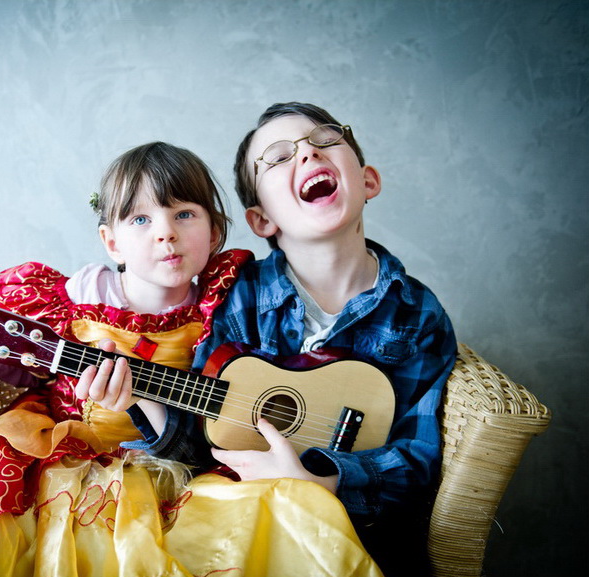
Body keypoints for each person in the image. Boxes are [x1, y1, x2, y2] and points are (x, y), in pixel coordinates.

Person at [0, 141, 381, 576]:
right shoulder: (75, 303)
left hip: (189, 465)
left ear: (216, 231)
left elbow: (267, 374)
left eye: (184, 215)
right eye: (141, 219)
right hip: (76, 459)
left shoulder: (232, 296)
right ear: (111, 241)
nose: (165, 234)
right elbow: (7, 343)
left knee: (279, 526)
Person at [84, 103, 457, 577]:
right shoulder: (236, 297)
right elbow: (203, 443)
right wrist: (140, 394)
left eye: (325, 141)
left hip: (350, 529)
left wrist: (322, 480)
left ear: (367, 181)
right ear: (261, 220)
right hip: (237, 519)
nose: (306, 156)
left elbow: (419, 458)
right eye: (279, 158)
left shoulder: (416, 312)